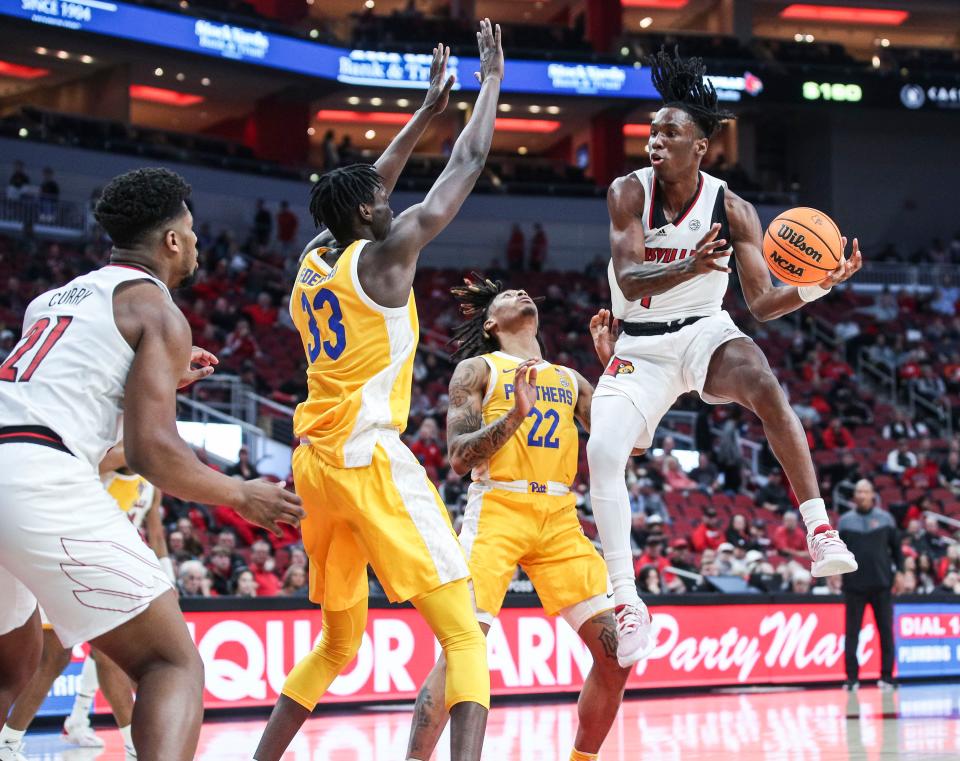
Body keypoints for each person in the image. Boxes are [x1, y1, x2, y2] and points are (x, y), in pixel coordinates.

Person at [254, 28, 503, 761]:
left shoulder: (313, 257)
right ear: (368, 213)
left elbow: (372, 188)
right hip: (369, 458)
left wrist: (426, 109)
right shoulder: (389, 259)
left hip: (314, 465)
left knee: (336, 642)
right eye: (379, 200)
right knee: (463, 626)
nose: (389, 202)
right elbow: (470, 160)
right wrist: (487, 84)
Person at [0, 167, 303, 761]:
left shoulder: (53, 299)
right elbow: (151, 454)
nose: (194, 243)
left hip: (17, 459)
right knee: (170, 662)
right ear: (171, 240)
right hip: (36, 476)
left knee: (12, 666)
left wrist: (158, 375)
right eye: (190, 232)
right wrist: (241, 494)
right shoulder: (157, 310)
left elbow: (64, 402)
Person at [585, 47, 861, 666]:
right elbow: (629, 278)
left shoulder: (732, 207)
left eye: (670, 132)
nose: (655, 139)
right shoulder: (628, 191)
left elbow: (761, 303)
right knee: (602, 453)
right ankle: (628, 602)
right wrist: (689, 263)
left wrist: (821, 284)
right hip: (640, 344)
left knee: (764, 382)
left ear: (700, 147)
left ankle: (819, 528)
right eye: (652, 129)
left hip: (705, 333)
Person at [404, 275, 628, 761]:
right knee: (462, 652)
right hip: (498, 508)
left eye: (523, 293)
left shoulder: (572, 379)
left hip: (560, 516)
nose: (521, 294)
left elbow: (632, 443)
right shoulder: (478, 368)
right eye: (507, 296)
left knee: (617, 654)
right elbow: (459, 457)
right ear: (491, 322)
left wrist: (615, 369)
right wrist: (514, 417)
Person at [838, 479, 901, 691]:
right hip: (853, 586)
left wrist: (900, 572)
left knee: (886, 632)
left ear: (873, 494)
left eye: (866, 491)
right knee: (852, 633)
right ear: (855, 496)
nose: (862, 495)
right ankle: (852, 678)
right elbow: (837, 553)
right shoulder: (845, 522)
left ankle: (886, 676)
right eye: (859, 492)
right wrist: (835, 575)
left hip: (881, 585)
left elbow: (897, 550)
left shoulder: (886, 519)